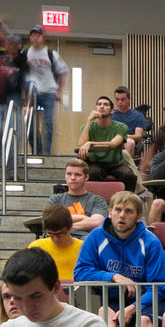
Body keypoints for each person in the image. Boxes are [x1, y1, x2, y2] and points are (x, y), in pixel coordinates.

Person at [73, 189, 165, 327]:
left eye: (129, 211)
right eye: (117, 210)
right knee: (104, 312)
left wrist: (133, 308)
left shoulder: (151, 242)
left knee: (144, 320)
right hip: (111, 298)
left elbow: (160, 287)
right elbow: (80, 272)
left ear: (138, 217)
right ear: (109, 213)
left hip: (148, 300)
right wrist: (113, 276)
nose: (122, 215)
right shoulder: (96, 236)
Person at [18, 26, 67, 157]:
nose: (35, 38)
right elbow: (21, 75)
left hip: (48, 92)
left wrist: (59, 91)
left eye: (38, 35)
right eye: (33, 35)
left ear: (43, 37)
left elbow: (62, 72)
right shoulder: (25, 54)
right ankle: (37, 151)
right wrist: (23, 94)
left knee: (48, 123)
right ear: (30, 37)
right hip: (31, 93)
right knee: (31, 125)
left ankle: (47, 153)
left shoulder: (51, 54)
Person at [75, 95, 137, 184]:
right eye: (99, 104)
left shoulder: (121, 127)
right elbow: (81, 145)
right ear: (96, 109)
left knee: (130, 176)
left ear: (112, 111)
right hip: (95, 163)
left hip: (115, 163)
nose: (102, 106)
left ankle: (126, 198)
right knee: (92, 174)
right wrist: (89, 121)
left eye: (105, 104)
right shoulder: (86, 127)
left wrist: (90, 143)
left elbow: (113, 144)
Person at [53, 158, 106, 235]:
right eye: (69, 174)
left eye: (77, 174)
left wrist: (65, 226)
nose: (73, 178)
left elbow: (97, 223)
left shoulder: (97, 200)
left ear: (86, 177)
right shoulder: (55, 199)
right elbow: (51, 221)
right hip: (59, 239)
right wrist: (83, 218)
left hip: (86, 241)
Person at [29, 201, 78, 285]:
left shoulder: (83, 248)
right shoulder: (36, 247)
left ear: (70, 227)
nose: (55, 239)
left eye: (60, 234)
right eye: (50, 234)